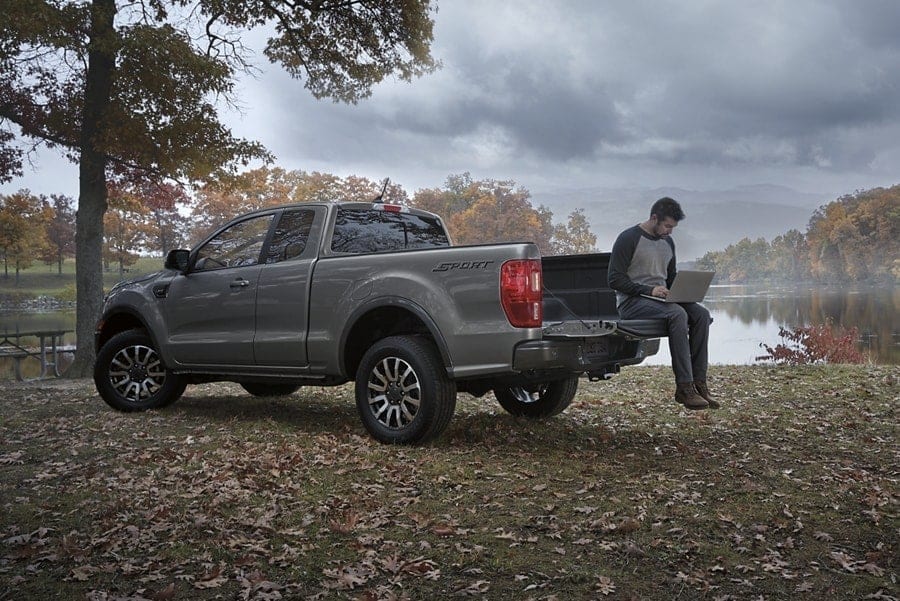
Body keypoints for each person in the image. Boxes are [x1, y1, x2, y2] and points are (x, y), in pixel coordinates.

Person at [607, 197, 718, 410]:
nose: (670, 231)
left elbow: (670, 276)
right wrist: (649, 290)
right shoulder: (628, 238)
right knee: (677, 314)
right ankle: (684, 388)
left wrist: (683, 289)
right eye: (667, 226)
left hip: (660, 300)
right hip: (632, 302)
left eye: (673, 227)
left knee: (701, 315)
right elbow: (614, 279)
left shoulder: (668, 242)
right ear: (654, 218)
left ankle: (699, 383)